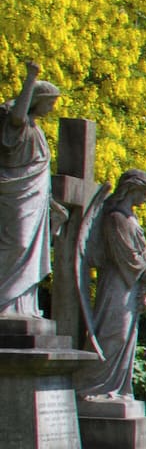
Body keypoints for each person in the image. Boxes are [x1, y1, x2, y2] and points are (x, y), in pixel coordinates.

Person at [76, 170, 146, 399]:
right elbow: (126, 255)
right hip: (117, 283)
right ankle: (91, 385)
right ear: (131, 189)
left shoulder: (131, 218)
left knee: (128, 335)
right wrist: (145, 269)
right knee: (115, 333)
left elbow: (142, 250)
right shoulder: (115, 219)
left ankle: (115, 388)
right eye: (144, 193)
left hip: (130, 285)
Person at [0, 61, 57, 316]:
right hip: (15, 194)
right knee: (19, 243)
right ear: (36, 100)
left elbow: (42, 176)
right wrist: (30, 79)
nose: (52, 107)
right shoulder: (19, 125)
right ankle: (4, 301)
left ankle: (21, 304)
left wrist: (52, 203)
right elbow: (16, 116)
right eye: (49, 102)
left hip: (35, 198)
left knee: (31, 248)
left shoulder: (39, 131)